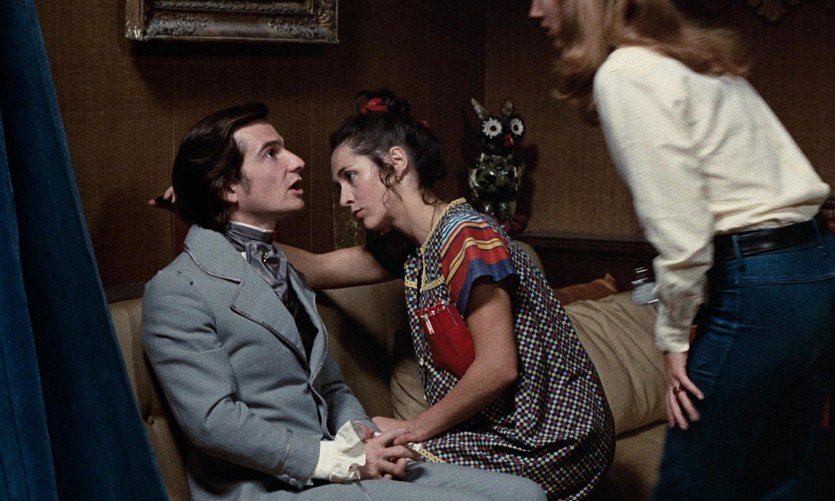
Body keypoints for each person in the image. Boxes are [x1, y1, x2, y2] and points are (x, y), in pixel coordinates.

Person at [141, 102, 547, 501]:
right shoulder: (176, 290)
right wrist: (340, 459)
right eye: (271, 153)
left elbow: (332, 386)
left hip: (341, 466)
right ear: (228, 187)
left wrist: (362, 441)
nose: (297, 161)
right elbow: (214, 423)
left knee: (525, 495)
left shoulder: (282, 267)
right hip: (267, 486)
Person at [529, 1, 835, 499]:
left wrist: (674, 340)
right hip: (818, 271)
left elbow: (683, 235)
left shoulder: (625, 72)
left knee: (689, 485)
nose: (534, 10)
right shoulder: (691, 58)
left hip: (762, 284)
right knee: (776, 483)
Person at [280, 89, 615, 501]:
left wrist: (414, 429)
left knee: (385, 463)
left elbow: (498, 368)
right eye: (339, 185)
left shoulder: (466, 235)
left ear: (396, 163)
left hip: (552, 438)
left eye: (351, 176)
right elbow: (316, 268)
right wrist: (224, 222)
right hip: (495, 432)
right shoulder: (411, 250)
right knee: (373, 455)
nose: (345, 199)